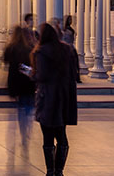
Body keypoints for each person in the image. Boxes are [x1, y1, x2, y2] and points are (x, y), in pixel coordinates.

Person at [31, 23, 78, 176]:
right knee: (62, 135)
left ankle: (50, 171)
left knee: (48, 137)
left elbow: (41, 76)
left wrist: (31, 73)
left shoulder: (41, 52)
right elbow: (73, 75)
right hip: (64, 97)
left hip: (48, 98)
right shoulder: (67, 50)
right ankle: (59, 171)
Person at [3, 25, 36, 148]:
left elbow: (5, 60)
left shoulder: (11, 47)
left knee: (21, 107)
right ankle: (28, 128)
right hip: (28, 80)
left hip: (16, 80)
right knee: (29, 106)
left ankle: (23, 132)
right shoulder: (30, 47)